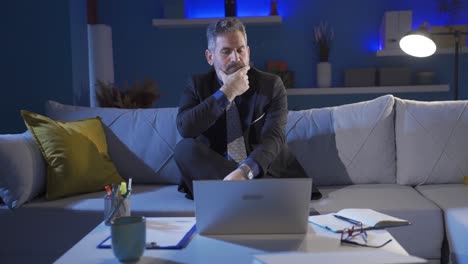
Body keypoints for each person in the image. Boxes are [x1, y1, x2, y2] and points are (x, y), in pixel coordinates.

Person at [174, 17, 320, 200]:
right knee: (185, 149)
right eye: (226, 51)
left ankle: (234, 196)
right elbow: (185, 128)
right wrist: (227, 92)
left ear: (248, 52)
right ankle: (257, 197)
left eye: (240, 50)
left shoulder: (271, 84)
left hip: (261, 169)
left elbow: (274, 138)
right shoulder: (197, 84)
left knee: (273, 148)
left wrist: (245, 171)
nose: (236, 58)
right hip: (220, 172)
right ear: (210, 57)